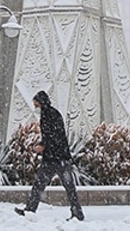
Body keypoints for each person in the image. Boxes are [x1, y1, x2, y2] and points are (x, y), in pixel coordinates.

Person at [15, 90, 84, 221]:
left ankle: (77, 212)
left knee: (62, 185)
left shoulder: (50, 115)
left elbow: (54, 135)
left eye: (36, 105)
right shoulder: (49, 115)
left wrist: (43, 145)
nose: (35, 108)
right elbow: (51, 135)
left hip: (57, 157)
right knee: (44, 185)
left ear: (42, 103)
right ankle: (31, 209)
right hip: (55, 157)